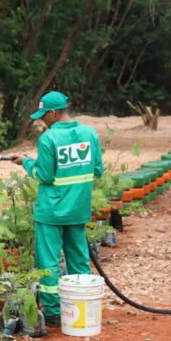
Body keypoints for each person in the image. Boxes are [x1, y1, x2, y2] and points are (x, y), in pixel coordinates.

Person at [11, 91, 103, 328]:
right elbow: (98, 170)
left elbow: (44, 175)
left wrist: (27, 163)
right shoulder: (89, 134)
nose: (42, 120)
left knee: (49, 263)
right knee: (79, 260)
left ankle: (53, 312)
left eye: (43, 115)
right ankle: (82, 307)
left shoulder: (49, 139)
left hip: (51, 212)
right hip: (78, 209)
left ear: (53, 113)